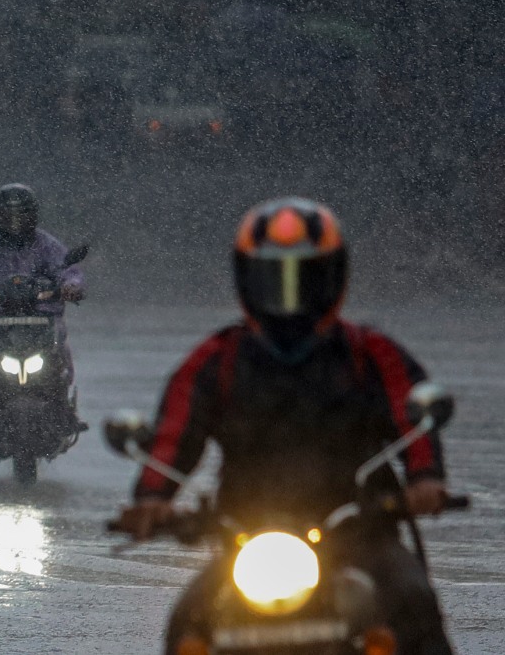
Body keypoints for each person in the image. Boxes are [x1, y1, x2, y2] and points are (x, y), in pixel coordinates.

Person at [114, 197, 453, 654]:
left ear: (334, 277)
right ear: (245, 279)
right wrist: (153, 499)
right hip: (245, 540)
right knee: (189, 623)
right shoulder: (218, 360)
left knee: (413, 599)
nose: (289, 297)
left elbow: (412, 415)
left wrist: (424, 480)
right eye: (271, 279)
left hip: (361, 533)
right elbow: (175, 432)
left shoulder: (369, 353)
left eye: (306, 278)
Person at [0, 183, 84, 437]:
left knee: (61, 348)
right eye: (7, 216)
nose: (14, 223)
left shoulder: (47, 245)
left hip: (43, 317)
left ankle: (63, 405)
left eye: (21, 215)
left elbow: (67, 270)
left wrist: (71, 287)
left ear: (33, 216)